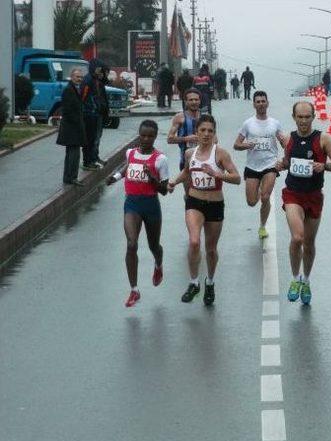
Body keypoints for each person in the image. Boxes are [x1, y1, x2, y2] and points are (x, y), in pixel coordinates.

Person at [275, 101, 331, 305]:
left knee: (309, 243)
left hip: (314, 195)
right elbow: (287, 161)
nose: (303, 121)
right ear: (294, 117)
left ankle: (306, 280)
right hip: (293, 194)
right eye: (300, 117)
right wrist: (281, 164)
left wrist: (324, 166)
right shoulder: (289, 139)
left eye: (307, 117)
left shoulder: (323, 139)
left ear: (313, 117)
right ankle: (295, 279)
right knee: (297, 238)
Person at [168, 114, 241, 306]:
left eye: (210, 131)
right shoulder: (189, 154)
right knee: (193, 242)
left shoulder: (221, 154)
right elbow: (186, 172)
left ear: (214, 133)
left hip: (215, 204)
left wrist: (217, 174)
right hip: (194, 201)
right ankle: (194, 282)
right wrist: (174, 182)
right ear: (196, 132)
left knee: (210, 249)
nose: (206, 134)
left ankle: (210, 282)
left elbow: (236, 178)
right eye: (202, 130)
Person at [105, 120, 170, 307]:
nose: (146, 139)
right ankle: (134, 290)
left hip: (150, 205)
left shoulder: (160, 159)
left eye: (150, 136)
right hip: (132, 204)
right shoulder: (131, 152)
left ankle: (158, 265)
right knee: (131, 244)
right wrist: (116, 177)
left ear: (155, 137)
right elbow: (128, 167)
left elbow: (164, 190)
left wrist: (152, 178)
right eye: (143, 135)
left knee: (154, 245)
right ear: (139, 135)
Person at [234, 90, 287, 239]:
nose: (261, 104)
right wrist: (247, 145)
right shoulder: (248, 124)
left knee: (265, 197)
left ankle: (262, 227)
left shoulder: (275, 123)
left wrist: (285, 147)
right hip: (252, 166)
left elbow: (284, 142)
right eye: (258, 102)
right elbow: (236, 145)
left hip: (270, 164)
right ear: (254, 104)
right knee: (251, 202)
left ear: (267, 103)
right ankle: (257, 191)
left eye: (263, 101)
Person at [57, 67, 87, 186]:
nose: (79, 79)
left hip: (74, 127)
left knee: (73, 153)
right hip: (71, 128)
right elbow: (67, 110)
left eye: (81, 77)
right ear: (72, 77)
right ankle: (71, 177)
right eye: (77, 77)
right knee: (73, 154)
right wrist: (77, 123)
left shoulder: (75, 89)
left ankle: (69, 177)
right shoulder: (69, 90)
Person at [80, 59, 108, 170]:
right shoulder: (88, 80)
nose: (99, 71)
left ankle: (94, 157)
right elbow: (83, 97)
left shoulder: (97, 80)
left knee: (96, 137)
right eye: (98, 69)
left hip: (97, 113)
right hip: (90, 114)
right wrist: (91, 108)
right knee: (90, 139)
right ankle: (88, 161)